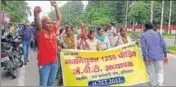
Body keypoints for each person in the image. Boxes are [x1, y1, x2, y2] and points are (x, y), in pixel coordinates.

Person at [34, 0, 62, 86]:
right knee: (43, 84)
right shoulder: (40, 32)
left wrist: (56, 7)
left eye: (51, 22)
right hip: (44, 63)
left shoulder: (53, 29)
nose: (50, 24)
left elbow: (59, 19)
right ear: (42, 24)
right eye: (47, 23)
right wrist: (36, 14)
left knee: (51, 83)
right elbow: (38, 24)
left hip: (54, 62)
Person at [140, 21, 168, 86]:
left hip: (148, 57)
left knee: (149, 71)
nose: (143, 28)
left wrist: (146, 57)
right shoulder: (158, 34)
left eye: (144, 27)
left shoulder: (143, 35)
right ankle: (160, 83)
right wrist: (165, 55)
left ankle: (151, 83)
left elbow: (144, 47)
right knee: (159, 70)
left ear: (146, 27)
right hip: (158, 56)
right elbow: (163, 45)